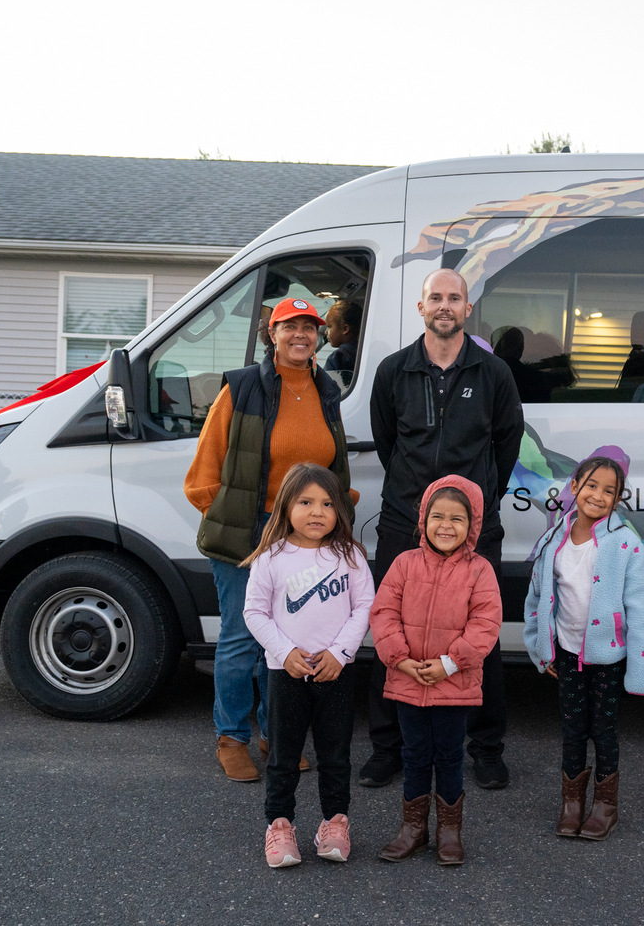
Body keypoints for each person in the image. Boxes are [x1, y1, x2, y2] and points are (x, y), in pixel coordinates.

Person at [362, 268, 525, 790]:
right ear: (421, 306)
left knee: (479, 635)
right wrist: (422, 509)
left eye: (454, 298)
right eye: (436, 297)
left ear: (468, 308)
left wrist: (469, 512)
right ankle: (388, 747)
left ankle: (486, 748)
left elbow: (505, 445)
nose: (445, 306)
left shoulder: (495, 373)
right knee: (393, 630)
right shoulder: (393, 371)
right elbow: (388, 444)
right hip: (404, 524)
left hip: (474, 530)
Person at [185, 297, 357, 782]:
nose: (300, 334)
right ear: (272, 334)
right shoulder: (242, 388)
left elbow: (334, 462)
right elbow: (204, 469)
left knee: (285, 641)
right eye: (289, 327)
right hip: (250, 529)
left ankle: (275, 737)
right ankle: (232, 737)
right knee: (242, 638)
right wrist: (230, 516)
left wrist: (339, 505)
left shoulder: (326, 389)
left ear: (319, 335)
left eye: (309, 327)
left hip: (303, 533)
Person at [241, 463, 375, 868]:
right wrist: (284, 653)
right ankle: (279, 825)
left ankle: (334, 823)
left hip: (336, 673)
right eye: (306, 502)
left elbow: (365, 606)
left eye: (328, 503)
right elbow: (255, 612)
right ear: (286, 507)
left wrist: (340, 653)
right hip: (286, 674)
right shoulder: (271, 558)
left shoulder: (349, 556)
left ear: (340, 512)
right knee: (283, 754)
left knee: (335, 754)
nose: (317, 511)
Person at [523, 454, 644, 840]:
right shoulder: (553, 539)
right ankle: (572, 804)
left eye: (609, 491)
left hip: (608, 658)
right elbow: (537, 600)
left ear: (618, 499)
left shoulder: (625, 543)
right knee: (571, 730)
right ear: (576, 485)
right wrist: (540, 648)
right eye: (592, 485)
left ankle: (605, 807)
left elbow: (643, 607)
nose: (598, 495)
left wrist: (640, 670)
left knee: (603, 730)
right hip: (566, 654)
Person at [370, 476, 503, 866]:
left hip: (455, 684)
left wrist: (449, 663)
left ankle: (448, 832)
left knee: (448, 756)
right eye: (438, 516)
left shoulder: (480, 571)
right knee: (413, 754)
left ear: (473, 525)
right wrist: (401, 660)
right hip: (407, 679)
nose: (446, 526)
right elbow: (383, 614)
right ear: (423, 520)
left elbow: (485, 624)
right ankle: (413, 828)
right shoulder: (404, 564)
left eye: (458, 519)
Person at [322, 300, 364, 386]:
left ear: (345, 329)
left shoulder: (338, 357)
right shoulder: (364, 352)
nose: (326, 332)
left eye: (329, 327)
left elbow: (325, 388)